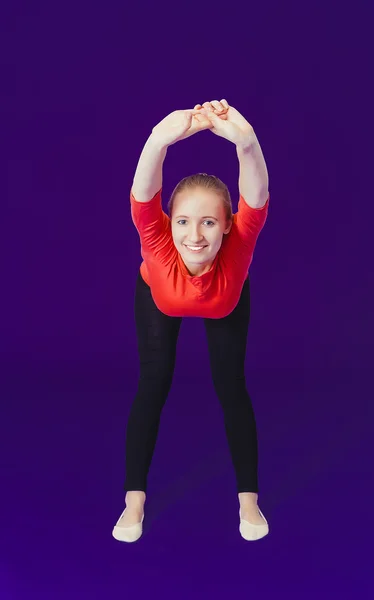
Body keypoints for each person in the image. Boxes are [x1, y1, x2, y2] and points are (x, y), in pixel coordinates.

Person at [112, 99, 270, 543]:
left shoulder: (240, 243)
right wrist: (161, 138)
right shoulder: (156, 239)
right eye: (182, 221)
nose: (194, 235)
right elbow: (144, 192)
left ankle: (249, 502)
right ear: (168, 223)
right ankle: (133, 502)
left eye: (207, 223)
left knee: (231, 386)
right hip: (159, 297)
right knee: (154, 383)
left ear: (227, 226)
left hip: (225, 299)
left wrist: (247, 142)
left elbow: (255, 195)